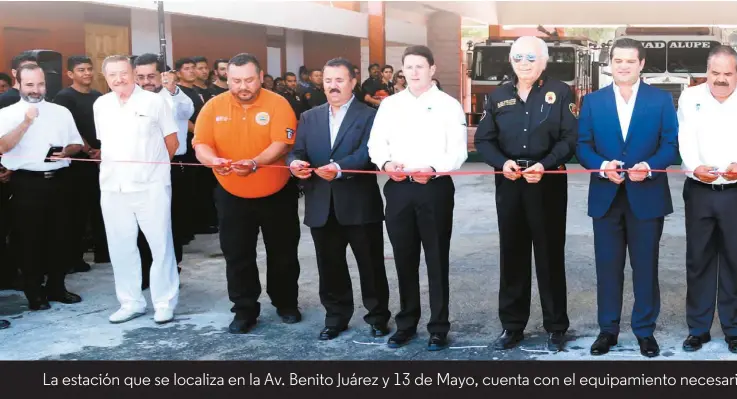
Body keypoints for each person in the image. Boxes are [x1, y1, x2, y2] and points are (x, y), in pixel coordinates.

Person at [474, 36, 577, 352]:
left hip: (546, 183)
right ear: (511, 60)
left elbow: (569, 138)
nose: (524, 63)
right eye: (518, 57)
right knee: (513, 254)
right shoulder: (498, 95)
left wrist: (545, 165)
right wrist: (501, 162)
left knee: (549, 255)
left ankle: (556, 326)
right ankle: (512, 326)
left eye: (531, 57)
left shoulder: (560, 92)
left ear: (544, 61)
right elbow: (484, 140)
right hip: (510, 183)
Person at [577, 38, 678, 358]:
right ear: (610, 63)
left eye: (629, 61)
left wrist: (649, 167)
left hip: (646, 195)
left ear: (641, 64)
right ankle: (608, 331)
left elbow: (671, 144)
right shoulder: (593, 101)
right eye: (617, 60)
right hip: (606, 196)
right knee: (608, 267)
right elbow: (582, 146)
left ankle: (645, 331)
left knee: (645, 267)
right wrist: (601, 166)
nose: (623, 66)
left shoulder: (660, 100)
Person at [193, 53, 302, 334]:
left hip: (276, 192)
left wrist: (256, 162)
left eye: (249, 80)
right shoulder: (213, 106)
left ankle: (286, 303)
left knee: (283, 253)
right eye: (236, 80)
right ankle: (244, 310)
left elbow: (282, 143)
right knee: (238, 255)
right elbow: (201, 144)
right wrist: (211, 160)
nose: (243, 86)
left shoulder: (278, 103)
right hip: (231, 193)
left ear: (261, 76)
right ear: (226, 78)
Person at [368, 45, 467, 351]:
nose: (414, 72)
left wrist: (434, 169)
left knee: (436, 259)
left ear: (432, 69)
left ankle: (438, 327)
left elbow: (458, 150)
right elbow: (376, 144)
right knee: (404, 258)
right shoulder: (391, 105)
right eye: (408, 67)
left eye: (420, 67)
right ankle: (406, 324)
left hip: (434, 188)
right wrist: (386, 164)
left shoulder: (449, 105)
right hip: (399, 188)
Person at [289, 58, 390, 340]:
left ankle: (378, 316)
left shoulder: (369, 115)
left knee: (370, 265)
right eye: (328, 80)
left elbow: (369, 154)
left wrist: (339, 169)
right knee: (329, 266)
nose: (333, 86)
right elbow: (298, 151)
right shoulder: (310, 117)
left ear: (353, 82)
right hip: (321, 204)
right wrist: (295, 163)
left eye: (340, 80)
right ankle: (335, 316)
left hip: (358, 204)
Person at [93, 55, 180, 325]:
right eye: (112, 75)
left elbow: (172, 143)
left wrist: (151, 170)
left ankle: (164, 302)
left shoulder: (156, 101)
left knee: (160, 245)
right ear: (105, 78)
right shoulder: (101, 104)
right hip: (112, 187)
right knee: (120, 247)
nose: (119, 79)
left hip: (150, 186)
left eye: (123, 73)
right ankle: (130, 302)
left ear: (133, 73)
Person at [0, 64, 84, 310]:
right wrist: (26, 122)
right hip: (26, 182)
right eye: (30, 85)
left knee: (61, 236)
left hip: (59, 180)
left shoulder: (60, 112)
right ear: (18, 82)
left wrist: (68, 150)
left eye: (40, 84)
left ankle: (57, 287)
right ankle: (34, 292)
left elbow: (76, 143)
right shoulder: (6, 113)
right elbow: (2, 147)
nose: (36, 90)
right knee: (29, 240)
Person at [677, 45, 737, 355]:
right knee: (698, 260)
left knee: (734, 261)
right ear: (707, 71)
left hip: (735, 192)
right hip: (699, 190)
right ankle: (698, 330)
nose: (722, 79)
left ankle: (733, 329)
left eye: (728, 73)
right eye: (716, 73)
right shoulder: (691, 97)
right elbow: (684, 137)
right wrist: (692, 166)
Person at [133, 53, 195, 289]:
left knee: (172, 222)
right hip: (140, 171)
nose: (146, 82)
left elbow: (185, 111)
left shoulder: (174, 97)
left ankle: (171, 269)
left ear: (163, 75)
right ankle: (145, 269)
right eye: (140, 77)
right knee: (142, 222)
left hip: (172, 168)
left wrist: (171, 90)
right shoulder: (130, 99)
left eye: (151, 76)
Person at [53, 55, 108, 270]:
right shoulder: (64, 97)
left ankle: (103, 252)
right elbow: (70, 128)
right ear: (70, 74)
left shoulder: (98, 96)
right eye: (81, 70)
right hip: (77, 162)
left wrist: (102, 151)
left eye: (89, 69)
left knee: (100, 208)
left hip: (100, 160)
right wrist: (89, 150)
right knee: (76, 212)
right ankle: (73, 258)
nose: (86, 73)